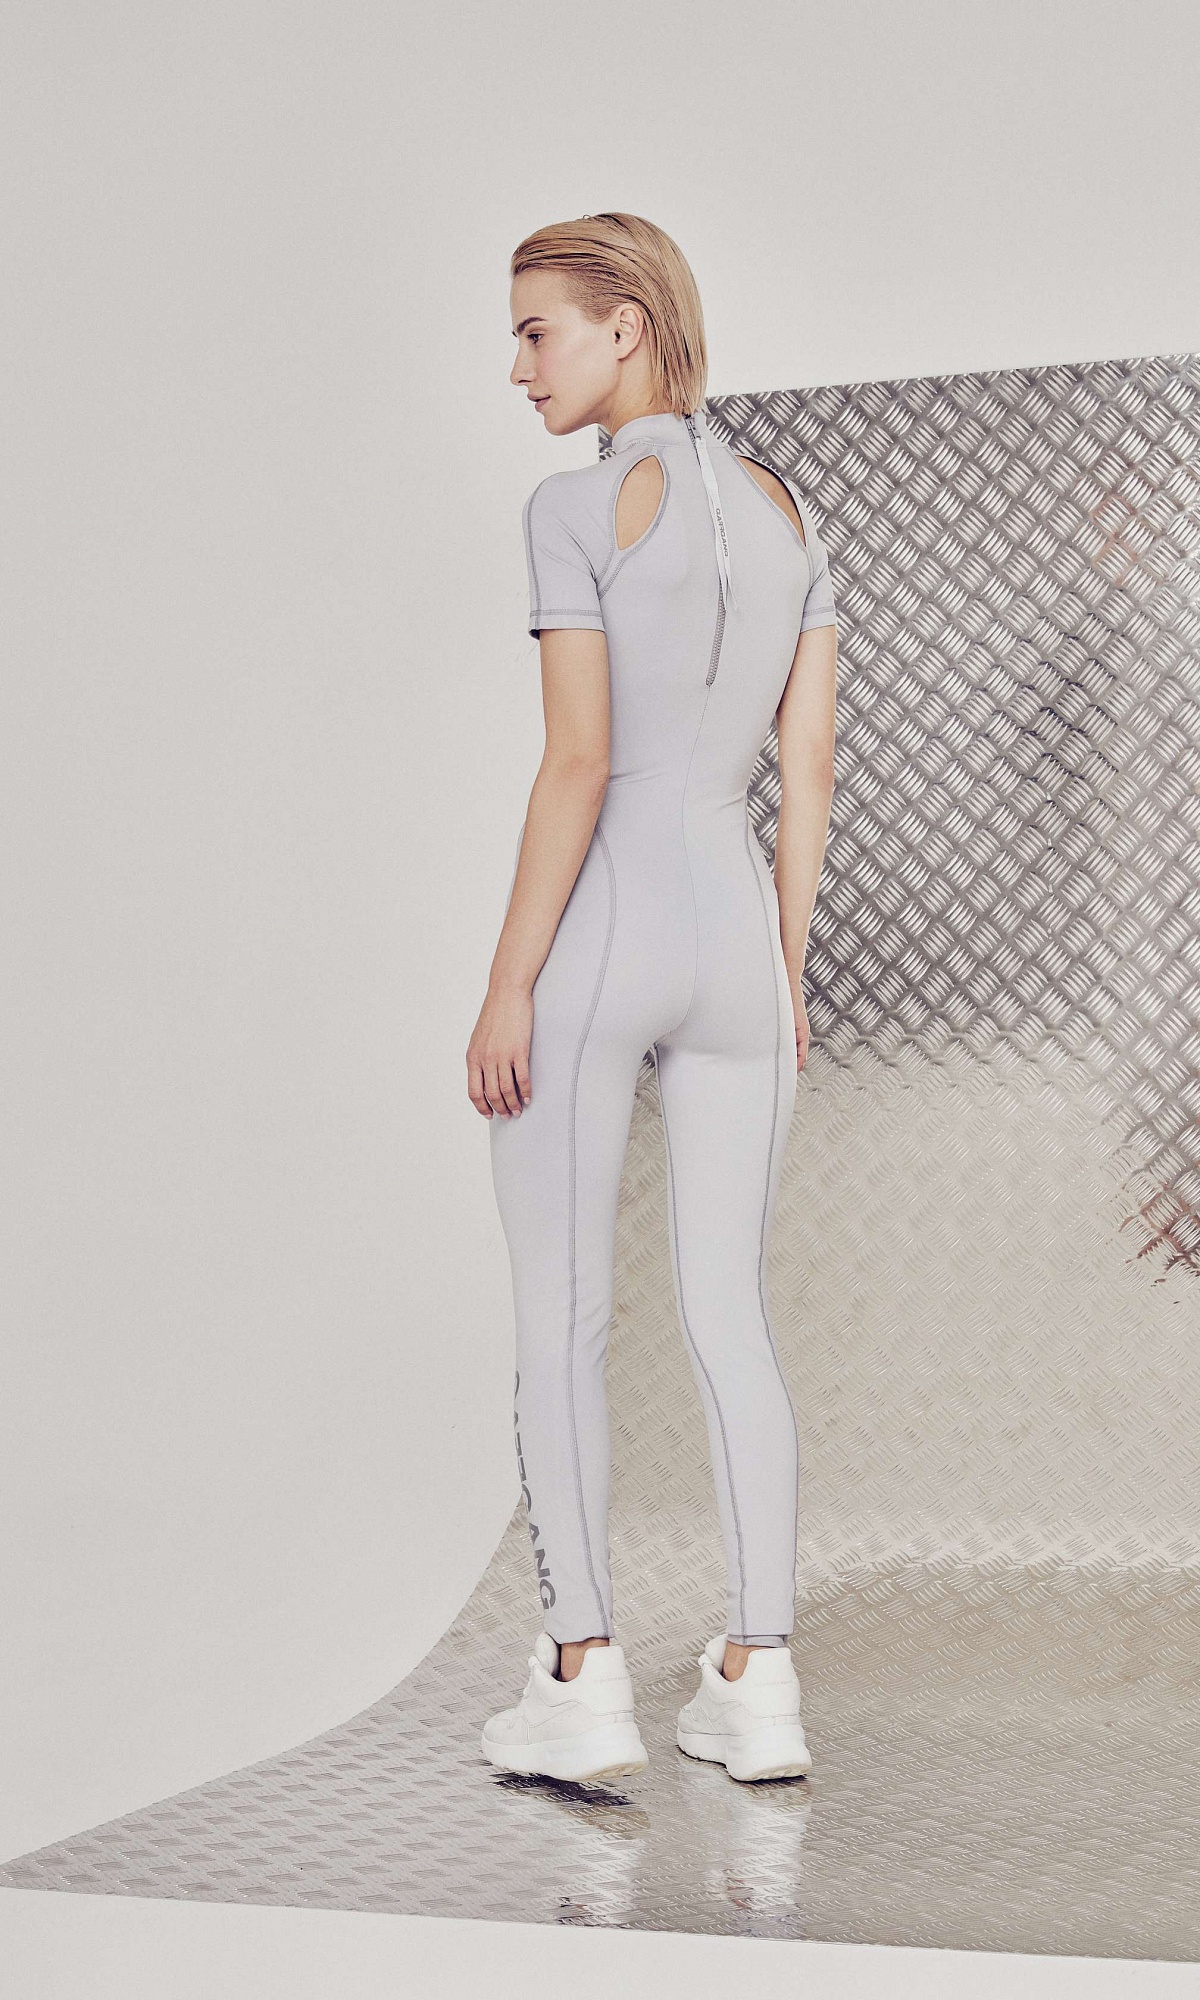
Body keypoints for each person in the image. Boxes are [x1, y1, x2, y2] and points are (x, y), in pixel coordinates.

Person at [467, 212, 837, 1784]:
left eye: (536, 330)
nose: (518, 366)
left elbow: (577, 764)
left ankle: (583, 1674)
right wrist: (785, 971)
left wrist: (507, 985)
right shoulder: (787, 513)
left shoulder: (574, 508)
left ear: (624, 325)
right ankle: (760, 1679)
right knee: (729, 1310)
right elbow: (807, 777)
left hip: (607, 931)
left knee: (563, 1316)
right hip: (738, 942)